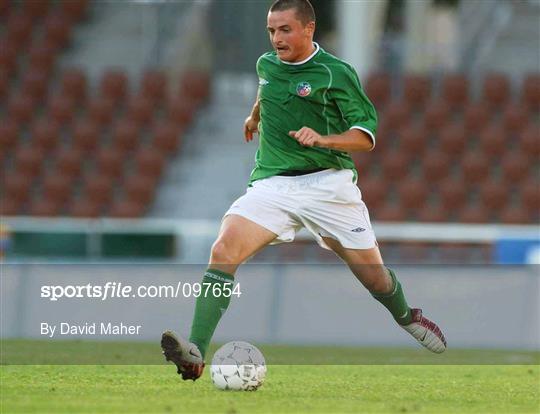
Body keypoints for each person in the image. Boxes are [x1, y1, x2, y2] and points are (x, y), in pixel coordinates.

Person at [161, 0, 446, 381]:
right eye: (271, 31)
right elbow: (268, 90)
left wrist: (324, 139)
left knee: (374, 278)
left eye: (285, 30)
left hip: (328, 185)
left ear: (308, 29)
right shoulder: (266, 65)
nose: (276, 38)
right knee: (224, 249)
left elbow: (366, 137)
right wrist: (254, 116)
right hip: (273, 184)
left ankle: (407, 315)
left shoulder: (335, 72)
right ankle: (195, 351)